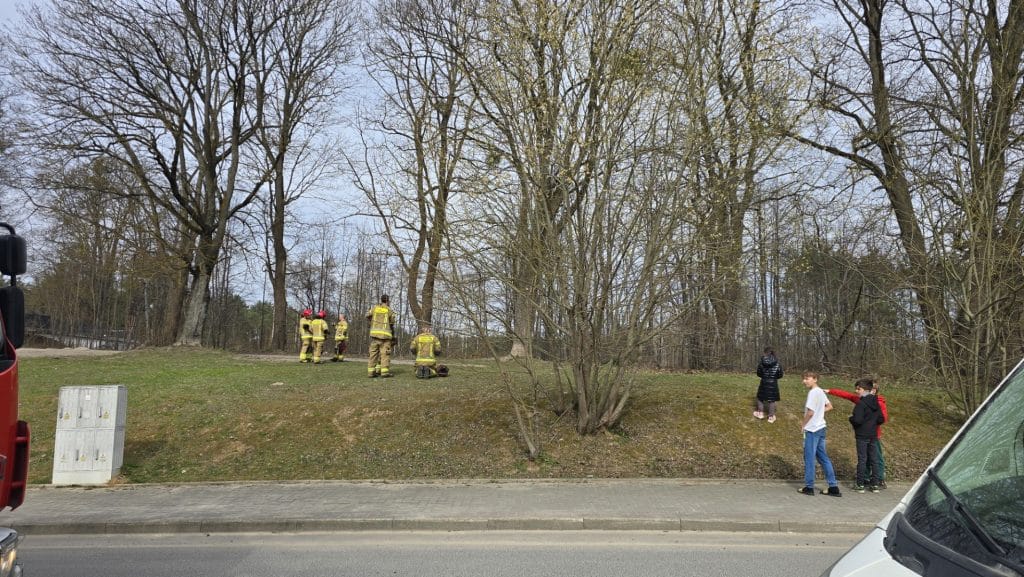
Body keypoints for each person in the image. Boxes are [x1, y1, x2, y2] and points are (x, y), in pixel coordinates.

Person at [827, 377, 889, 489]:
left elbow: (882, 418)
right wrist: (830, 391)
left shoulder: (879, 403)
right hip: (866, 432)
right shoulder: (860, 400)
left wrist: (865, 422)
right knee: (865, 458)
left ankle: (879, 479)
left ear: (873, 390)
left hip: (874, 434)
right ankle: (865, 478)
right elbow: (847, 395)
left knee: (875, 458)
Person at [799, 371, 842, 497]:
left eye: (807, 379)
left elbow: (811, 412)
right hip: (821, 427)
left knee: (809, 458)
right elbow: (829, 406)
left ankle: (809, 486)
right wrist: (819, 412)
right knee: (823, 457)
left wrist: (803, 424)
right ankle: (833, 487)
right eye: (804, 379)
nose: (805, 381)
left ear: (815, 379)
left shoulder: (813, 393)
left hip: (812, 429)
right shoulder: (821, 392)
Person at [846, 378, 884, 492]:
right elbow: (881, 419)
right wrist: (872, 424)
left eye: (859, 389)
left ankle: (860, 484)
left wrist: (851, 419)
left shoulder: (861, 403)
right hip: (873, 435)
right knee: (874, 459)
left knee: (862, 459)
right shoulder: (876, 402)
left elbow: (857, 420)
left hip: (862, 435)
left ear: (865, 390)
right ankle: (875, 485)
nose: (856, 391)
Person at [366, 294, 396, 378]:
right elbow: (392, 322)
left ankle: (371, 373)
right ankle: (384, 373)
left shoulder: (374, 308)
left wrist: (371, 321)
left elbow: (367, 315)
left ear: (381, 300)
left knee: (373, 354)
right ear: (387, 301)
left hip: (374, 336)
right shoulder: (389, 310)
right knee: (385, 355)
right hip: (384, 337)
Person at [754, 347, 783, 423]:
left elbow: (758, 373)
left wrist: (765, 376)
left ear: (765, 353)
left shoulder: (762, 362)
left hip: (764, 382)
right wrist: (773, 377)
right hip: (773, 383)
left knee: (760, 397)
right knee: (772, 399)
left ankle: (760, 413)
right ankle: (771, 417)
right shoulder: (777, 363)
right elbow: (780, 374)